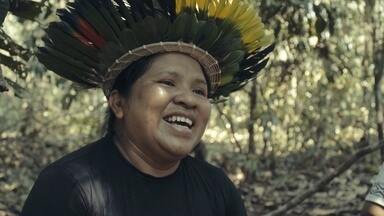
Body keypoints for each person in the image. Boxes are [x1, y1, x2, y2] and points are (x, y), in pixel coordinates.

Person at [21, 0, 274, 215]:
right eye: (167, 82)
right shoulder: (66, 187)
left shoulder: (219, 189)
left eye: (200, 91)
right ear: (119, 103)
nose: (189, 99)